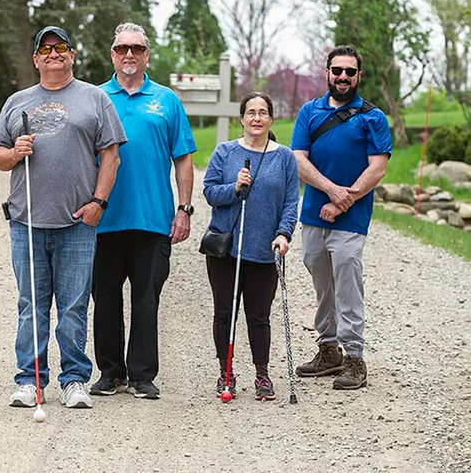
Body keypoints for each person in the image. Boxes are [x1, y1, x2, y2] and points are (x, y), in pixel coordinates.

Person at [0, 26, 126, 409]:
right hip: (26, 220)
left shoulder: (94, 99)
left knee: (73, 305)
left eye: (60, 47)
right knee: (31, 304)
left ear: (71, 55)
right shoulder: (17, 102)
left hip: (77, 223)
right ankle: (30, 380)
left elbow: (111, 156)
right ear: (36, 59)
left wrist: (98, 202)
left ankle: (74, 379)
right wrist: (14, 152)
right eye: (45, 49)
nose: (53, 54)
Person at [90, 22, 197, 401]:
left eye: (137, 48)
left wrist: (184, 209)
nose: (129, 55)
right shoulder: (96, 98)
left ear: (147, 54)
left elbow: (183, 158)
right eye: (122, 49)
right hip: (103, 220)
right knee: (104, 299)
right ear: (112, 55)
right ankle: (110, 372)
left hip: (153, 218)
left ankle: (142, 375)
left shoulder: (166, 100)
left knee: (146, 299)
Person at [291, 45, 391, 390]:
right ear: (327, 73)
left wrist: (344, 200)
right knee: (322, 284)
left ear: (359, 76)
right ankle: (328, 349)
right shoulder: (309, 111)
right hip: (314, 215)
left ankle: (354, 357)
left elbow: (377, 168)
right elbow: (299, 159)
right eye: (338, 71)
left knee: (348, 283)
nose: (343, 77)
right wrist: (332, 190)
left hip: (351, 218)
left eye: (350, 71)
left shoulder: (372, 117)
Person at [202, 92, 299, 401]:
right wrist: (234, 187)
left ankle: (262, 374)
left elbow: (290, 202)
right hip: (226, 248)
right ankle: (225, 372)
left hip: (265, 249)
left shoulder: (284, 157)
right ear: (241, 118)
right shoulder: (224, 152)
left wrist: (284, 234)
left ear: (271, 119)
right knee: (224, 312)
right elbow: (210, 193)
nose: (256, 118)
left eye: (263, 112)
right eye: (251, 112)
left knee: (259, 315)